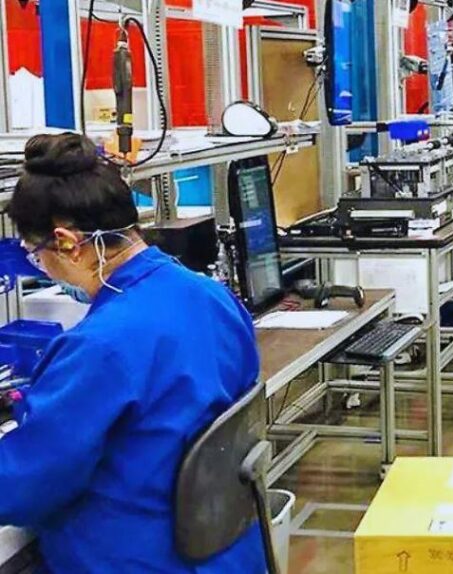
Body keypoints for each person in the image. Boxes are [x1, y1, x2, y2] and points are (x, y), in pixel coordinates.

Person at [0, 134, 265, 573]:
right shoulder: (210, 296)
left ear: (66, 243)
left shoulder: (100, 347)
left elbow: (26, 485)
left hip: (140, 558)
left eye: (35, 254)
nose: (40, 266)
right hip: (229, 554)